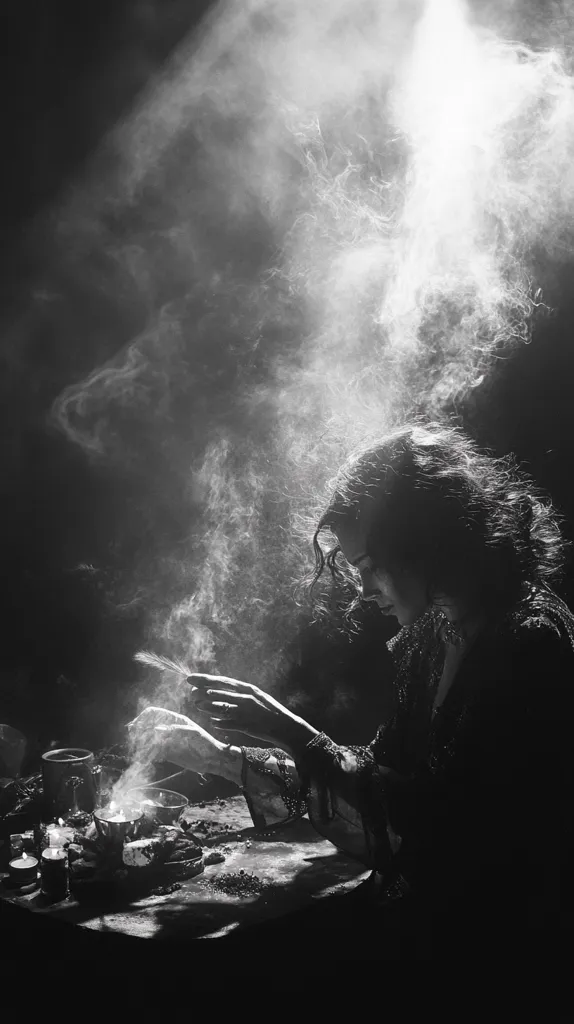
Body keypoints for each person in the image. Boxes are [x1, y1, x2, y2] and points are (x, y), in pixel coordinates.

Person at [129, 423, 574, 958]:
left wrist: (289, 728)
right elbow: (374, 776)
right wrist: (223, 757)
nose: (363, 591)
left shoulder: (526, 642)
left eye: (368, 566)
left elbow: (440, 823)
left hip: (503, 945)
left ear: (424, 541)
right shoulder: (436, 632)